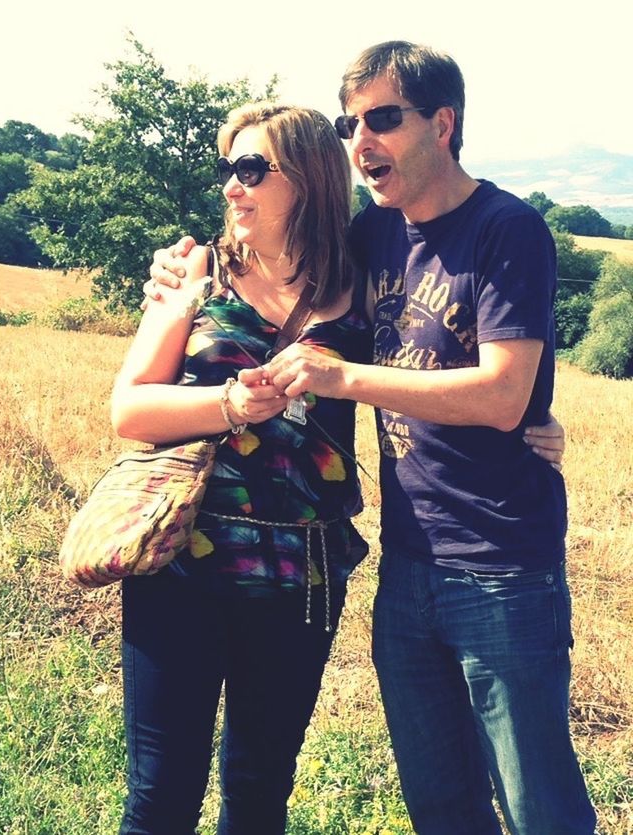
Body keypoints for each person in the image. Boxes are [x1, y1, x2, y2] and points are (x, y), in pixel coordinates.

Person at [149, 42, 593, 835]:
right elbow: (279, 252)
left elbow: (500, 391)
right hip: (405, 565)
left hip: (503, 567)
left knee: (540, 809)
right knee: (443, 806)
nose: (362, 141)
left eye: (383, 119)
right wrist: (179, 271)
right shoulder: (372, 237)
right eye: (352, 123)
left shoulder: (509, 228)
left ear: (444, 123)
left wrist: (351, 380)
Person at [111, 102, 373, 835]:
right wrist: (227, 402)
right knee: (161, 794)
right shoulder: (198, 274)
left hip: (302, 576)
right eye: (230, 167)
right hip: (183, 562)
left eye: (252, 168)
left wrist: (532, 417)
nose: (232, 185)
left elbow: (435, 367)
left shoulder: (360, 295)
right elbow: (129, 410)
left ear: (311, 180)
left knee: (260, 792)